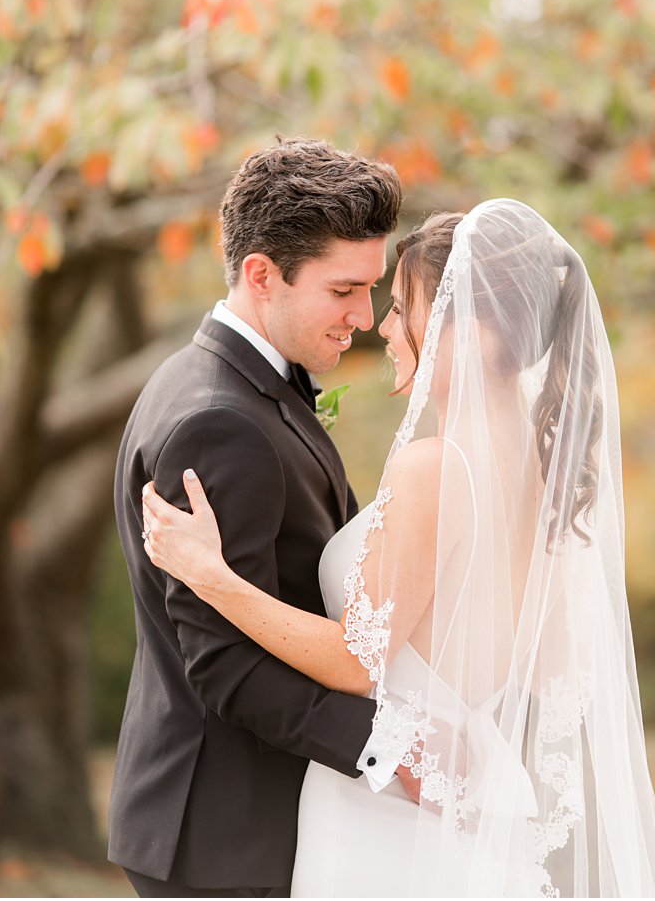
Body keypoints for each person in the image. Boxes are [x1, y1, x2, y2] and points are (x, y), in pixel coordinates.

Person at [142, 199, 655, 896]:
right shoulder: (545, 476)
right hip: (468, 791)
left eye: (404, 307)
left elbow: (357, 660)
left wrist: (211, 576)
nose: (383, 326)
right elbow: (550, 662)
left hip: (386, 815)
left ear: (476, 334)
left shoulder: (435, 468)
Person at [108, 138, 407, 898]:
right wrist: (394, 751)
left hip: (225, 820)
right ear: (262, 274)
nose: (365, 318)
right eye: (344, 290)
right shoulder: (221, 421)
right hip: (223, 835)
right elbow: (225, 666)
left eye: (371, 290)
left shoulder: (210, 377)